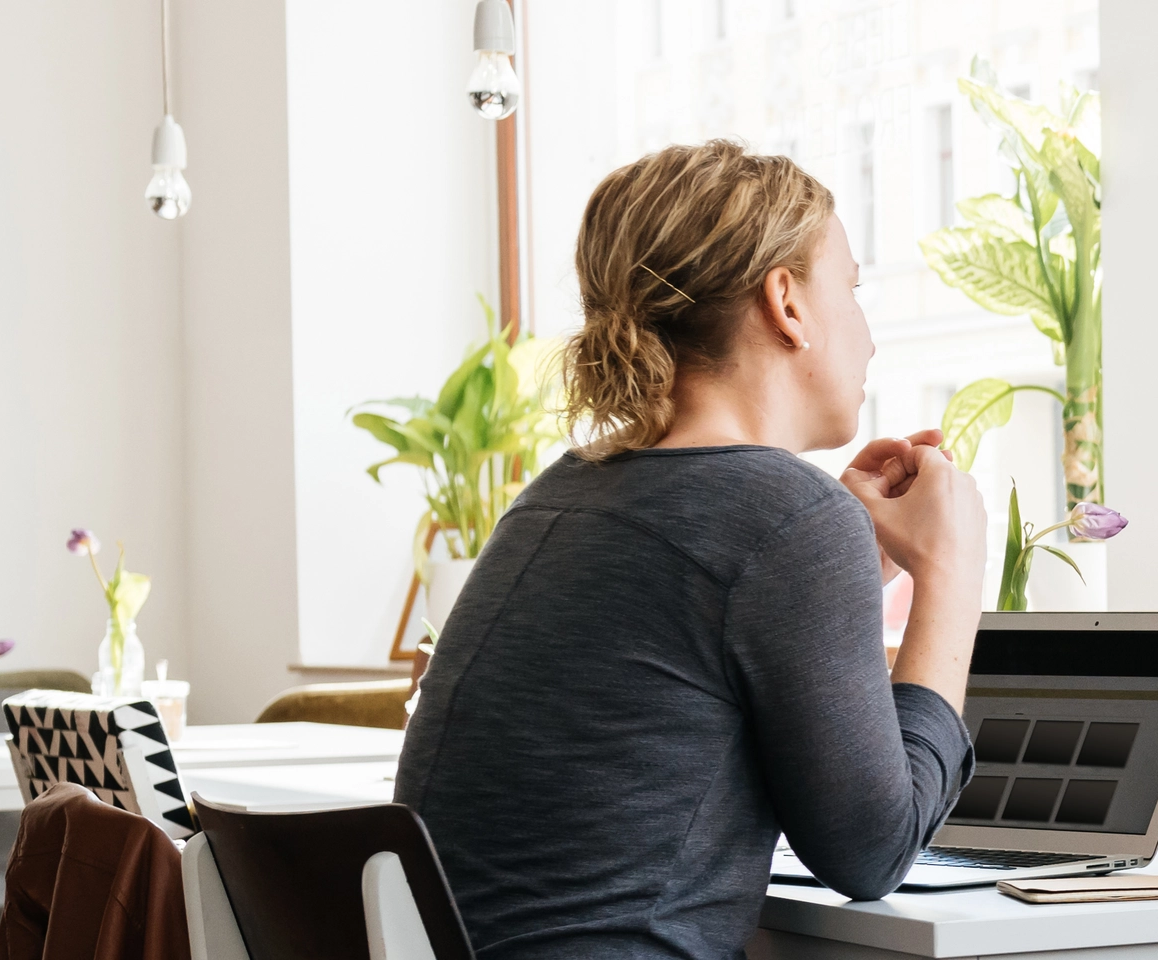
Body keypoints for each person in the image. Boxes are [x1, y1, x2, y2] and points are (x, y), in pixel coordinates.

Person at [395, 141, 989, 959]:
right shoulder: (781, 515)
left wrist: (850, 555)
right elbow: (873, 852)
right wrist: (950, 575)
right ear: (786, 302)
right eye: (851, 289)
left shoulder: (566, 489)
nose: (871, 337)